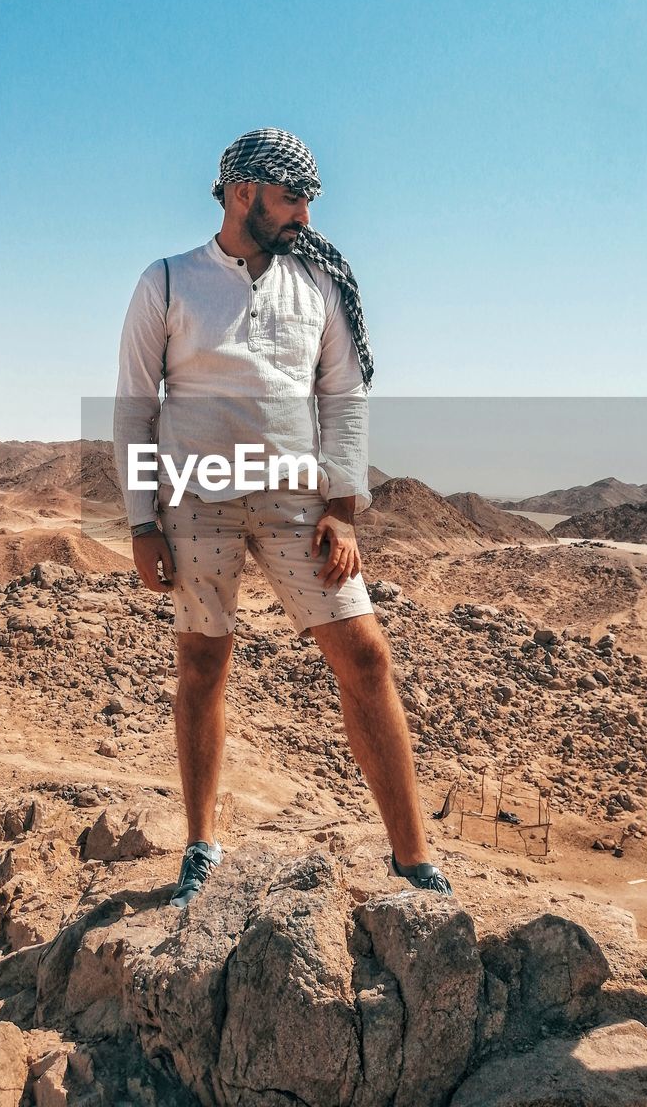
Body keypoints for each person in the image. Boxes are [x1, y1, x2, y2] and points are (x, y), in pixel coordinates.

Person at [113, 128, 451, 907]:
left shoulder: (320, 285)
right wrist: (139, 523)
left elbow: (345, 398)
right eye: (292, 197)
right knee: (203, 665)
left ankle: (412, 861)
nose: (305, 212)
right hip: (195, 498)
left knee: (365, 657)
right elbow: (135, 408)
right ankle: (200, 847)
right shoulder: (166, 283)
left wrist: (343, 509)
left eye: (307, 198)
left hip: (299, 503)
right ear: (243, 195)